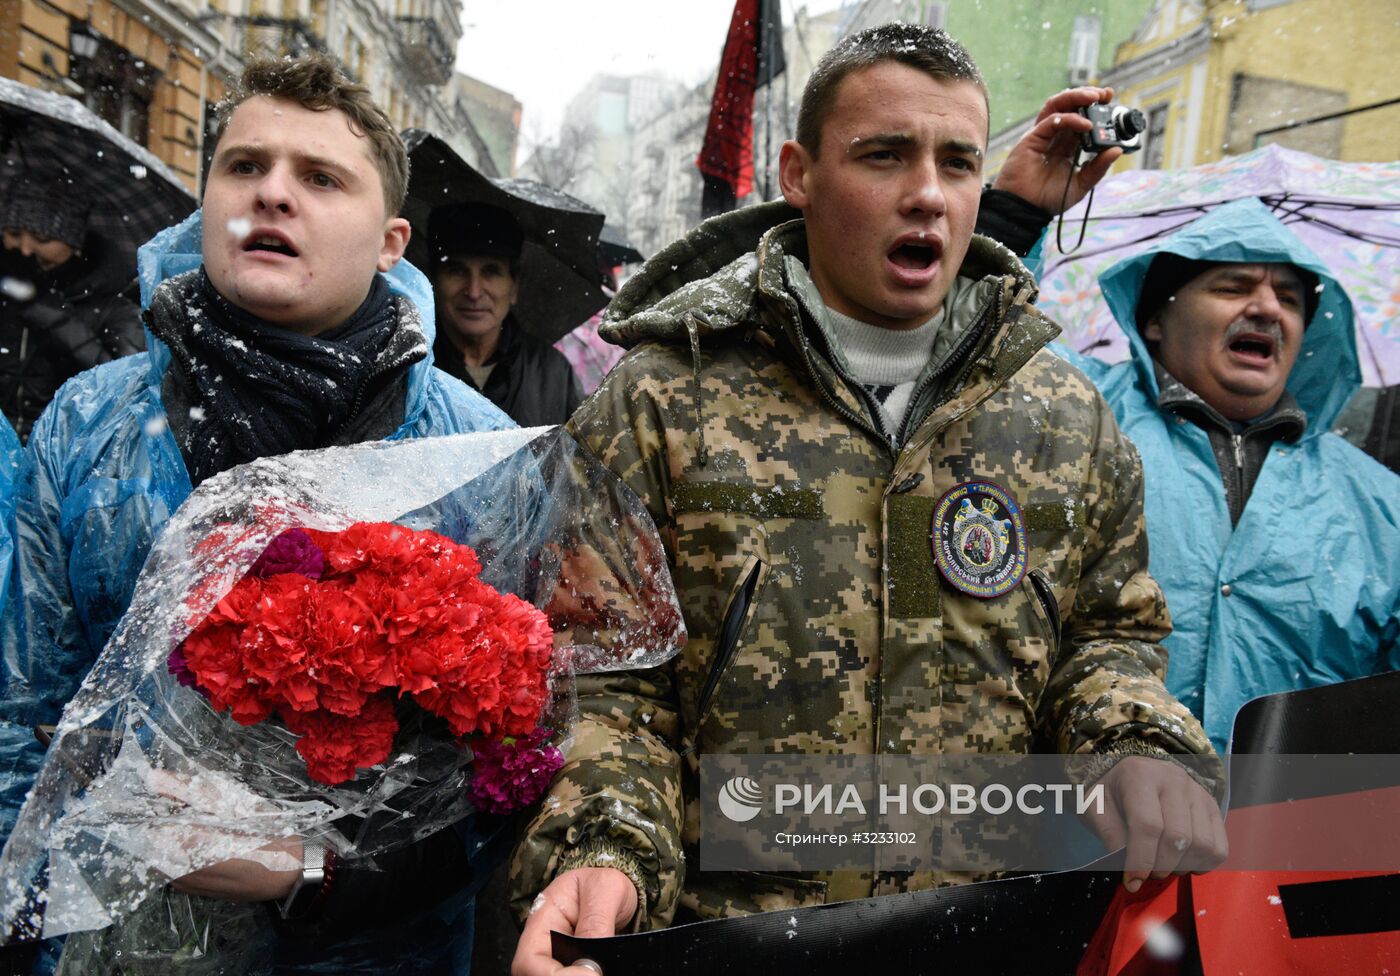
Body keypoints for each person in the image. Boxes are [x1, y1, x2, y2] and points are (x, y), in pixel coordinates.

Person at [509, 26, 1225, 974]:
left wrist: (1132, 745)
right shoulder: (661, 402)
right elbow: (603, 681)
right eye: (884, 154)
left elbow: (1106, 640)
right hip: (731, 939)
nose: (927, 192)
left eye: (958, 161)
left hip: (989, 937)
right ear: (799, 172)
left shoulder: (1065, 418)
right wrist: (605, 853)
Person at [0, 54, 513, 973]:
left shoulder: (478, 450)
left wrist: (310, 871)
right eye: (245, 166)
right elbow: (20, 700)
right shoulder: (90, 419)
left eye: (320, 178)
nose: (273, 193)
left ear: (392, 241)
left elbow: (523, 768)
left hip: (381, 954)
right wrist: (27, 913)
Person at [1051, 198, 1400, 753]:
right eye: (1232, 287)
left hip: (1299, 827)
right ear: (1155, 320)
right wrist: (1020, 215)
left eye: (1288, 298)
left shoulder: (1382, 502)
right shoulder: (1071, 414)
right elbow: (968, 337)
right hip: (1087, 818)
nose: (1266, 308)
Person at [0, 176, 145, 442]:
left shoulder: (113, 307)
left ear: (73, 244)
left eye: (42, 238)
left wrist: (55, 318)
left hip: (60, 463)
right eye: (13, 234)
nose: (24, 248)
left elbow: (126, 392)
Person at [428, 202, 584, 426]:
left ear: (514, 287)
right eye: (457, 270)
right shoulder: (410, 371)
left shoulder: (553, 373)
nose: (473, 291)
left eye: (491, 271)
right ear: (434, 281)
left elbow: (574, 458)